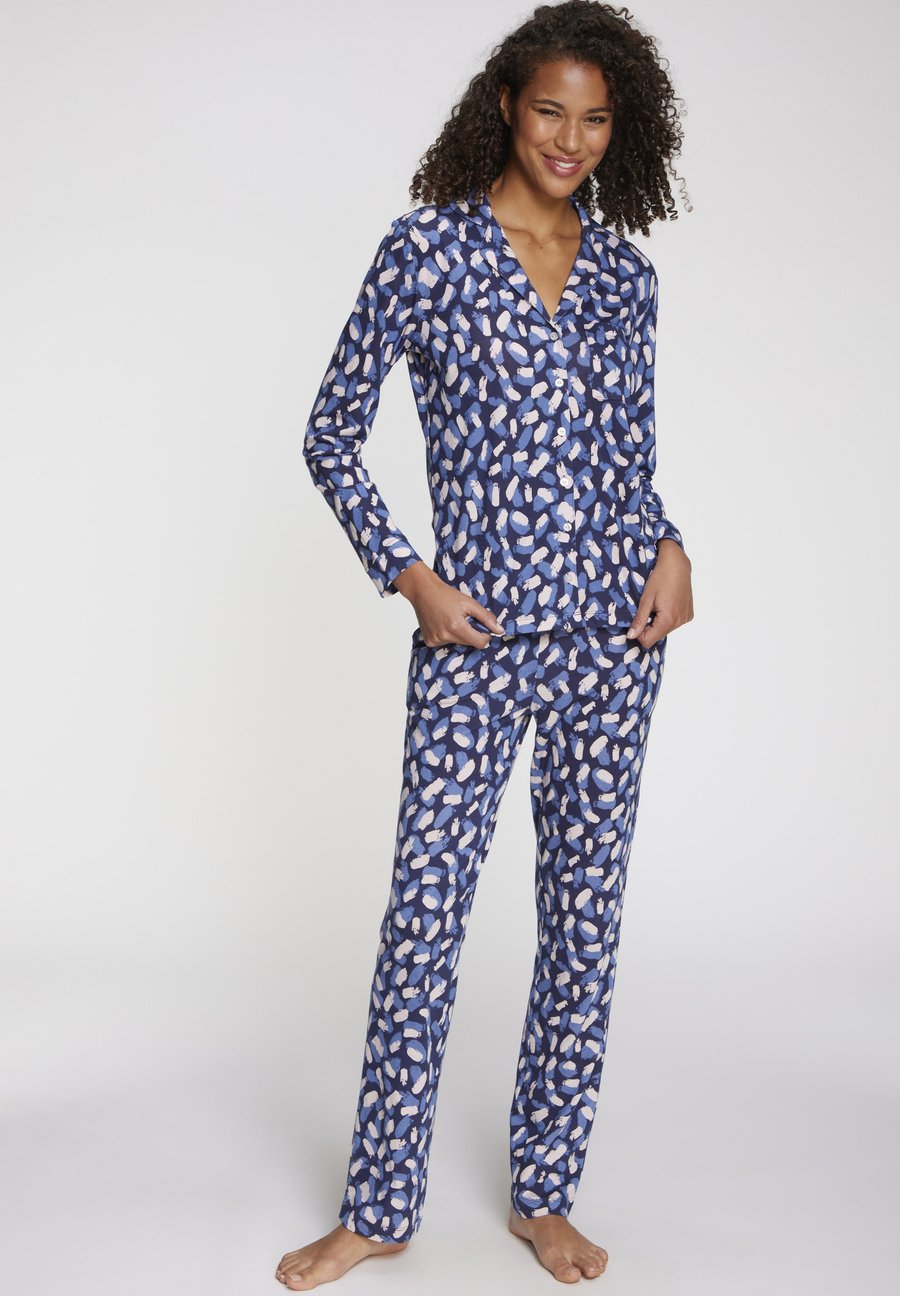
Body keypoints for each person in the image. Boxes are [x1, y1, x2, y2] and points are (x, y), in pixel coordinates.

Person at [276, 0, 694, 1286]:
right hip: (478, 644)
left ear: (621, 127)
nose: (570, 137)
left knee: (583, 923)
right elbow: (329, 433)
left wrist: (672, 545)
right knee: (426, 919)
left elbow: (627, 457)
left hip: (615, 641)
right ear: (507, 106)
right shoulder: (428, 252)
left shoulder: (625, 278)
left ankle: (544, 1196)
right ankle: (379, 1205)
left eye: (595, 118)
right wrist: (410, 577)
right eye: (550, 109)